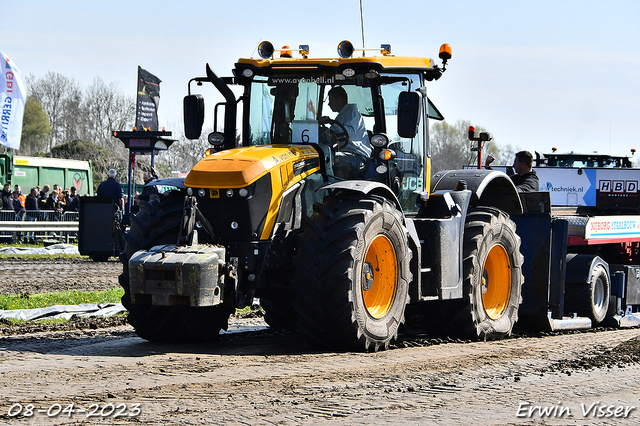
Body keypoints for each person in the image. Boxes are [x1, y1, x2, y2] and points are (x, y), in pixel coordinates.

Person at [318, 86, 372, 179]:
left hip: (356, 154)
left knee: (331, 159)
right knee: (325, 156)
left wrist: (330, 121)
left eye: (331, 100)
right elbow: (336, 133)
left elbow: (349, 132)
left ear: (339, 100)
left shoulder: (352, 111)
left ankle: (338, 186)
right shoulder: (342, 115)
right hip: (345, 152)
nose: (329, 104)